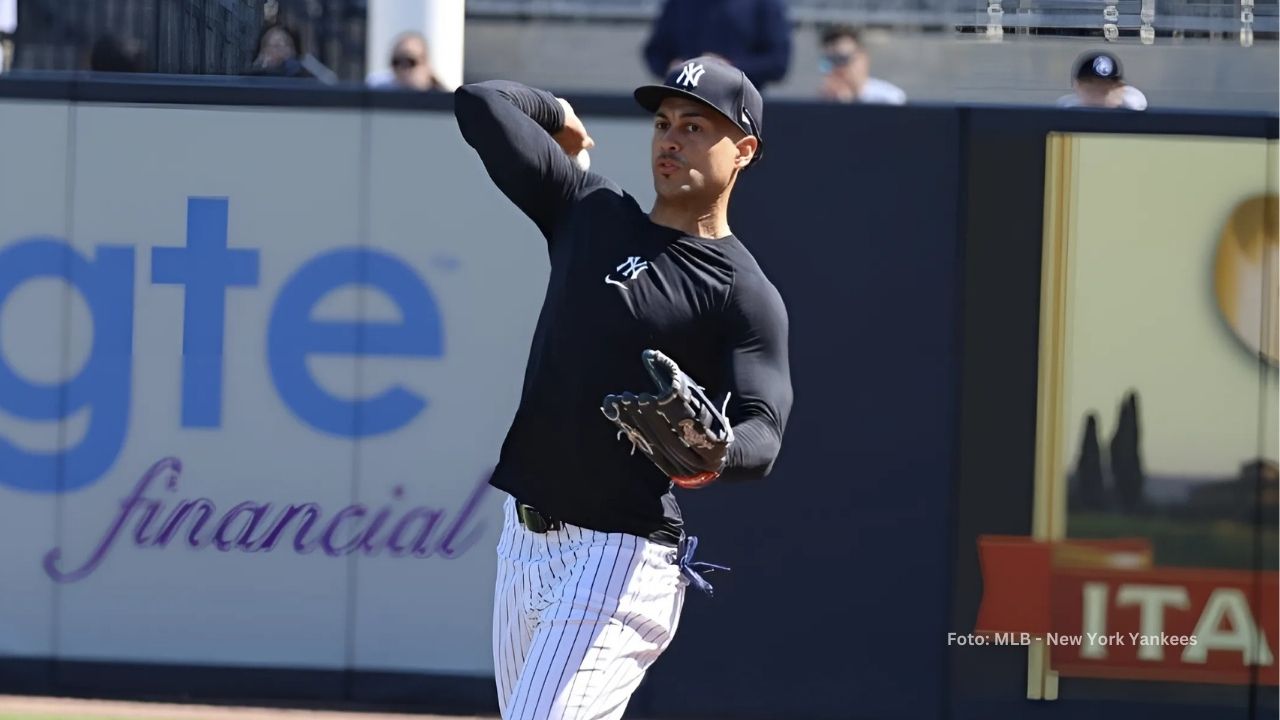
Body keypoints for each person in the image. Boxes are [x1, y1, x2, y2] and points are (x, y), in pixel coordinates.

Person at [453, 56, 793, 719]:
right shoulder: (590, 209)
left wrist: (717, 449)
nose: (671, 137)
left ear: (744, 150)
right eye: (664, 121)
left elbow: (765, 430)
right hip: (522, 545)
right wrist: (556, 114)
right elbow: (479, 102)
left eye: (695, 126)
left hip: (619, 559)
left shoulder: (742, 291)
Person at [643, 0, 791, 90]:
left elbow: (777, 62)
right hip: (683, 102)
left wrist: (726, 68)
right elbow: (655, 52)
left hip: (740, 111)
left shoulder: (763, 3)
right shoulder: (680, 3)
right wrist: (672, 67)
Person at [817, 24, 906, 105]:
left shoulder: (888, 99)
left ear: (863, 59)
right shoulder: (824, 100)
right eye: (829, 61)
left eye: (842, 59)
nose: (837, 68)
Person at [1057, 50, 1148, 110]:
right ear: (1077, 86)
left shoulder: (1132, 107)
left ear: (1120, 88)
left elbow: (1137, 101)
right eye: (1091, 86)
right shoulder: (1068, 109)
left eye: (1106, 88)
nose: (1098, 92)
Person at [367, 31, 444, 91]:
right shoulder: (381, 97)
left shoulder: (447, 104)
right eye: (396, 62)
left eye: (409, 62)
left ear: (426, 64)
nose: (401, 69)